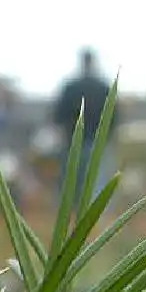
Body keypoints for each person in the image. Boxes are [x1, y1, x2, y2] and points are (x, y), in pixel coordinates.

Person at [52, 49, 117, 200]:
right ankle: (94, 217)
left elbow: (58, 115)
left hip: (73, 142)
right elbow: (114, 115)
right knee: (95, 182)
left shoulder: (71, 88)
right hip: (98, 142)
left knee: (72, 181)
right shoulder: (104, 88)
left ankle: (72, 216)